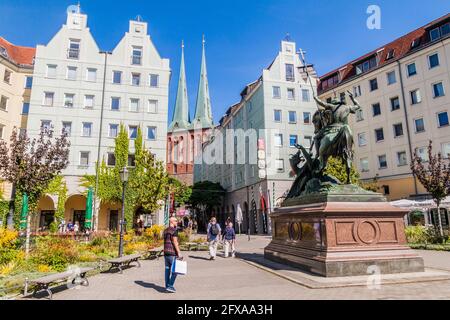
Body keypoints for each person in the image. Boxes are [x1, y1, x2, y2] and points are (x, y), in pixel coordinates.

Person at [163, 217, 183, 293]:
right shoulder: (174, 231)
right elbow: (175, 242)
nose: (177, 222)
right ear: (172, 221)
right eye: (175, 221)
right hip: (172, 253)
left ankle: (167, 286)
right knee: (176, 270)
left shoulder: (165, 230)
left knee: (167, 270)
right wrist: (179, 253)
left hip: (166, 253)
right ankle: (170, 285)